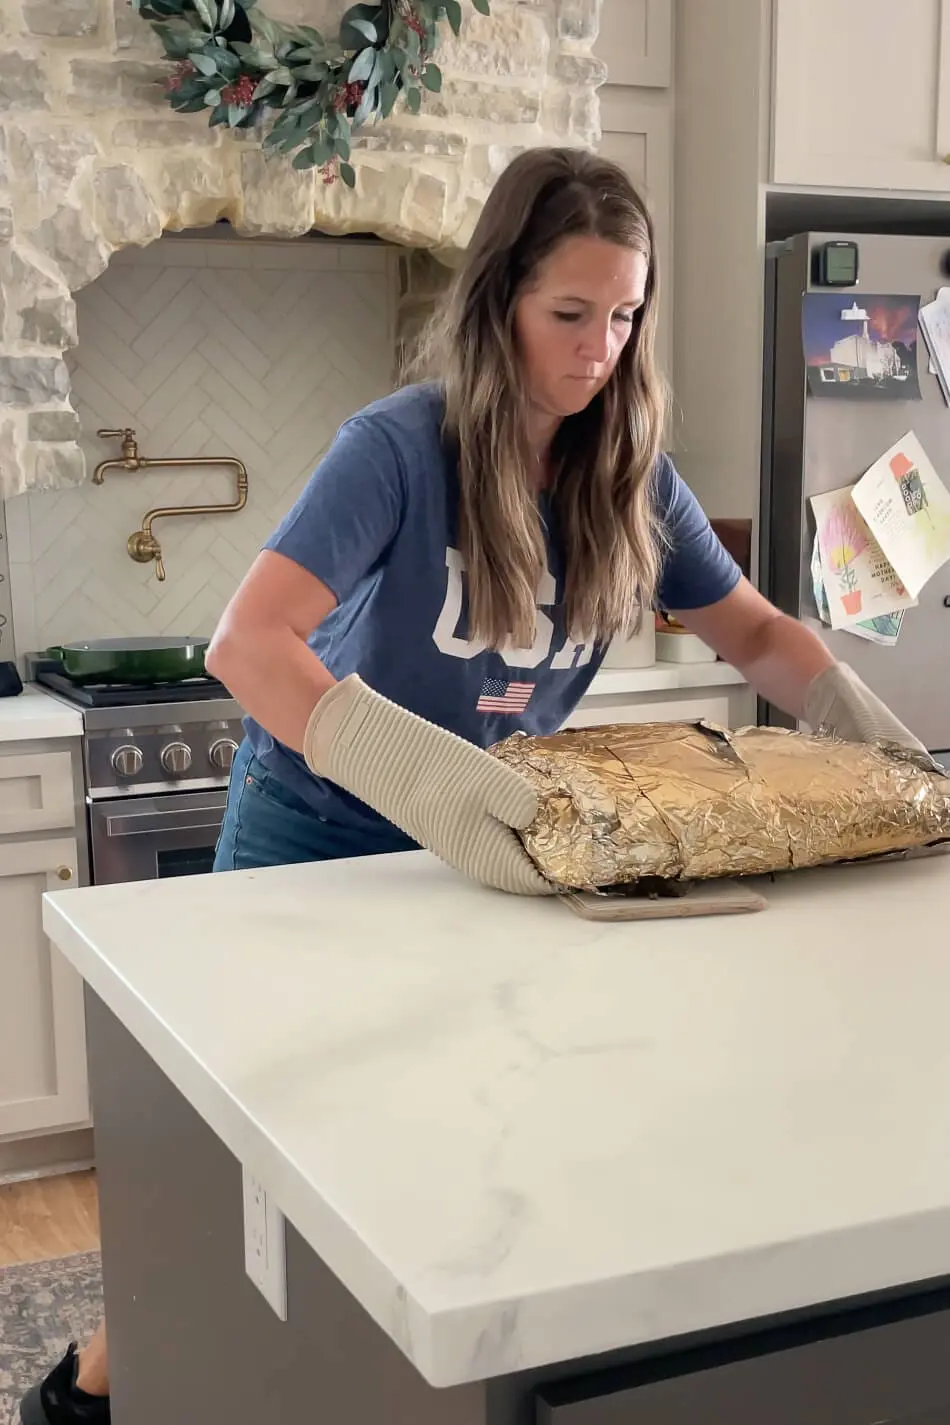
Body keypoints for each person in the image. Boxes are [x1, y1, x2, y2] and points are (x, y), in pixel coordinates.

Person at [19, 144, 925, 1425]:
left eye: (623, 315)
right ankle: (86, 1397)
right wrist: (434, 785)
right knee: (250, 1173)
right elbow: (247, 646)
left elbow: (763, 640)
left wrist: (896, 759)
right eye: (569, 313)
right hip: (314, 843)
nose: (598, 346)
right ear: (500, 298)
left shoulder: (629, 476)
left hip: (483, 860)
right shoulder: (399, 446)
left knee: (426, 1167)